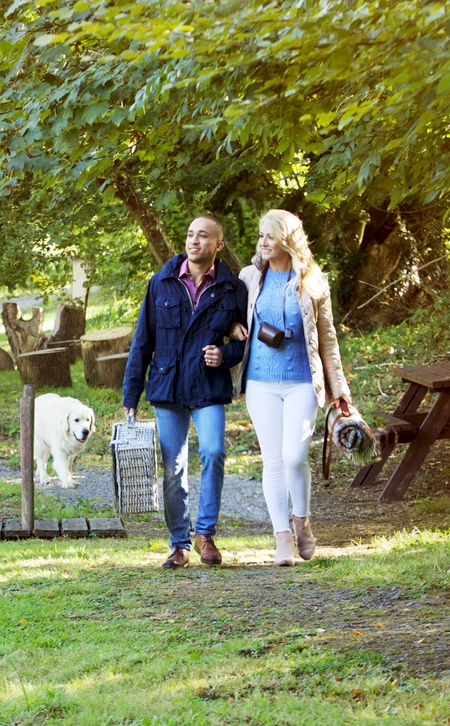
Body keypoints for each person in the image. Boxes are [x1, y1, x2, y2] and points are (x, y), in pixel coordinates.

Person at [123, 215, 248, 569]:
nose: (194, 241)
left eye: (203, 236)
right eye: (191, 234)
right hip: (168, 385)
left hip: (208, 385)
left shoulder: (233, 288)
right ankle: (179, 544)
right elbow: (142, 341)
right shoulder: (161, 282)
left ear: (218, 245)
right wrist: (131, 395)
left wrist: (224, 355)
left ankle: (204, 534)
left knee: (214, 451)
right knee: (173, 468)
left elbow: (246, 343)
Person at [235, 209, 352, 567]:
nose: (263, 242)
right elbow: (229, 317)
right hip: (260, 381)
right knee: (272, 459)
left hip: (302, 380)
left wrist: (339, 389)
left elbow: (328, 338)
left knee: (295, 456)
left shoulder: (313, 281)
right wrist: (232, 329)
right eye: (260, 236)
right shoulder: (249, 277)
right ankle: (282, 538)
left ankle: (302, 520)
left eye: (270, 236)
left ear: (287, 240)